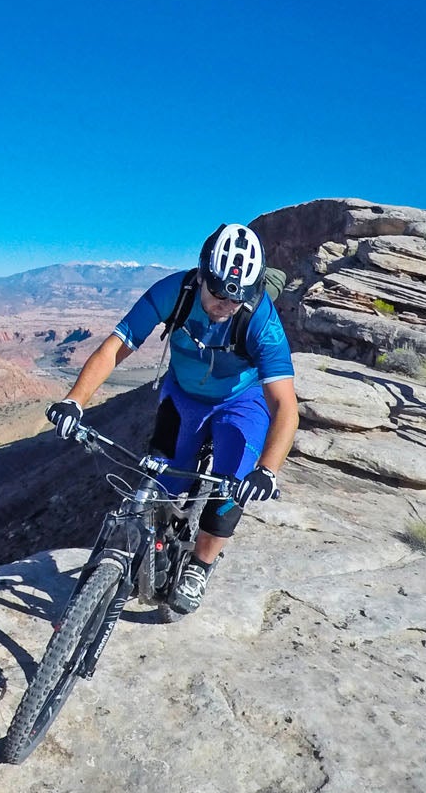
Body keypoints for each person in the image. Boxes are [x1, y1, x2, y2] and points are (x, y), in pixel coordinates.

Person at [45, 223, 298, 614]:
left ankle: (201, 564)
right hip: (183, 396)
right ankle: (135, 557)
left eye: (236, 300)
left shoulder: (260, 319)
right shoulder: (173, 292)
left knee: (230, 487)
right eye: (216, 294)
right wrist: (73, 400)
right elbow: (115, 348)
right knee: (162, 476)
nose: (225, 307)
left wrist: (267, 470)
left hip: (240, 403)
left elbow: (284, 405)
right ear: (201, 276)